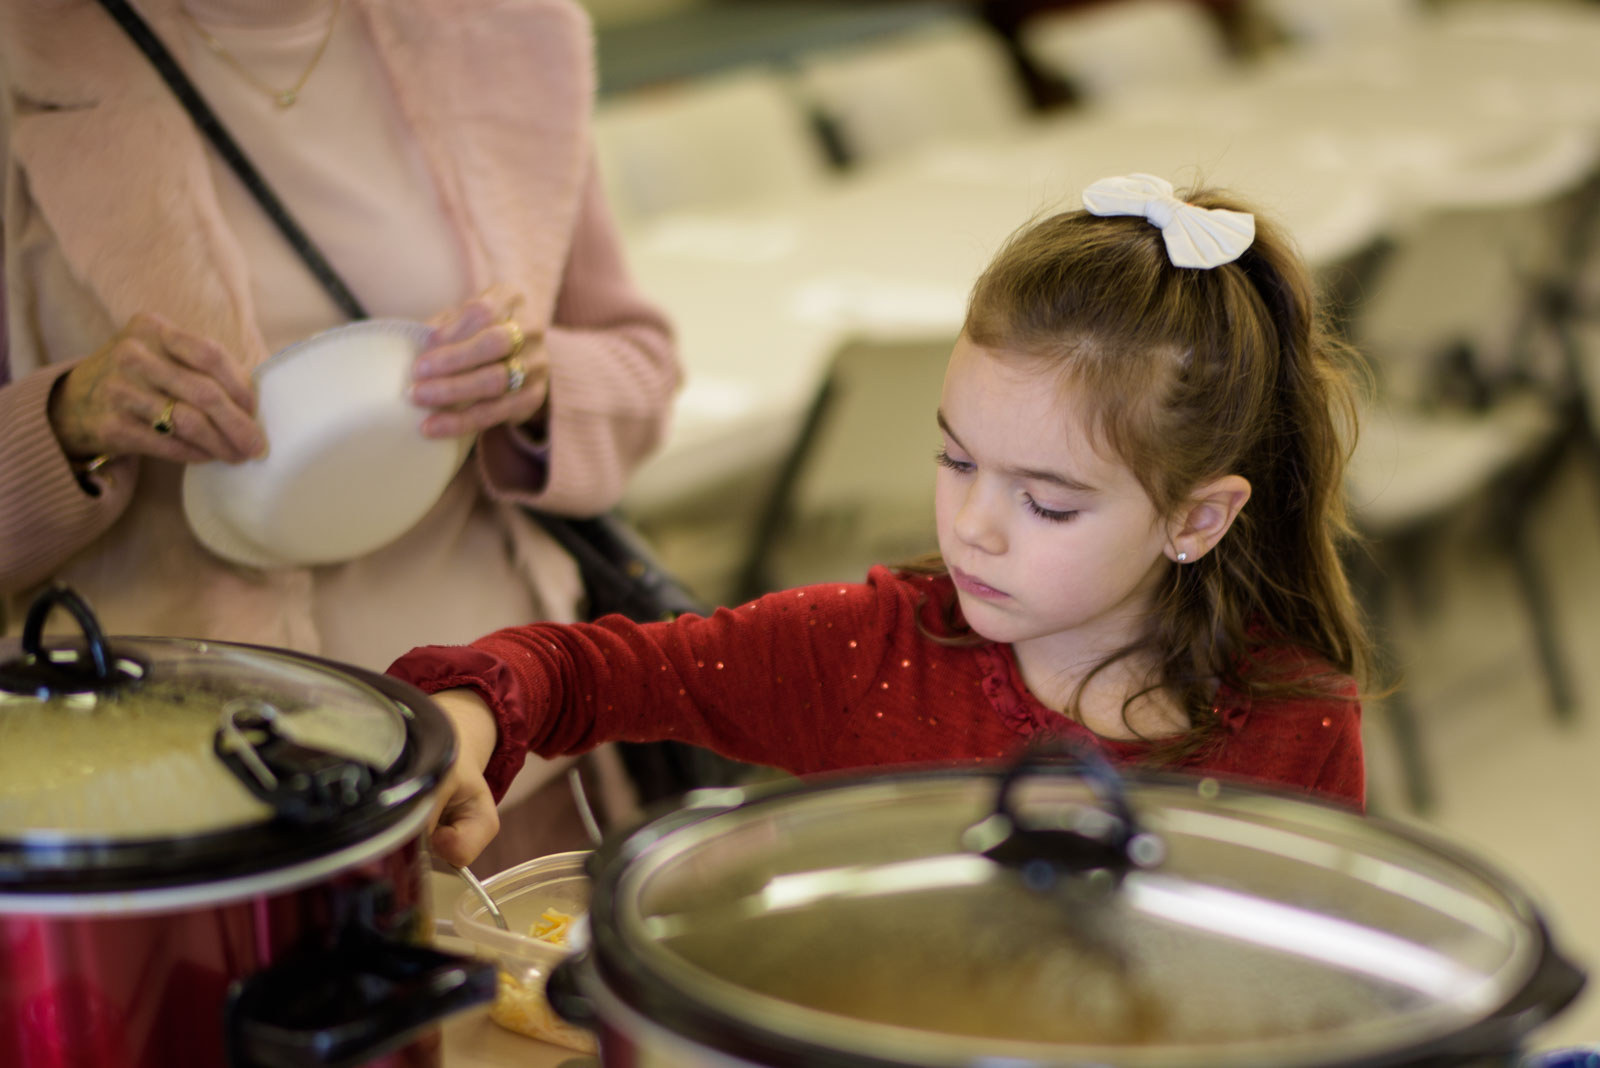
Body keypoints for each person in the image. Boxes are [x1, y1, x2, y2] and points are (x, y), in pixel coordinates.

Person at [389, 174, 1373, 868]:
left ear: (1196, 518)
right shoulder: (870, 655)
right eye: (956, 461)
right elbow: (590, 674)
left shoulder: (1299, 726)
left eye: (1046, 501)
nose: (974, 526)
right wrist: (472, 718)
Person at [0, 0, 678, 855]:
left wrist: (536, 388)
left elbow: (642, 372)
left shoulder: (506, 36)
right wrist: (68, 418)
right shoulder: (25, 59)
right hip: (176, 800)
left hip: (499, 754)